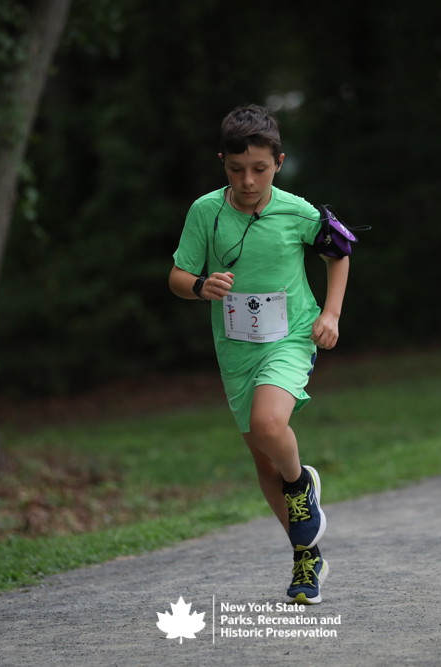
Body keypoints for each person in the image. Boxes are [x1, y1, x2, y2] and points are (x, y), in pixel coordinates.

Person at [169, 104, 351, 604]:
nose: (248, 181)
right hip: (235, 349)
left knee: (269, 426)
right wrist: (200, 285)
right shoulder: (205, 212)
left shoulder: (298, 211)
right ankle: (307, 557)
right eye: (236, 169)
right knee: (263, 459)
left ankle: (301, 483)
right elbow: (178, 276)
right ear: (222, 163)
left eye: (260, 169)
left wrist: (331, 314)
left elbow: (340, 252)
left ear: (279, 163)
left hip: (290, 337)